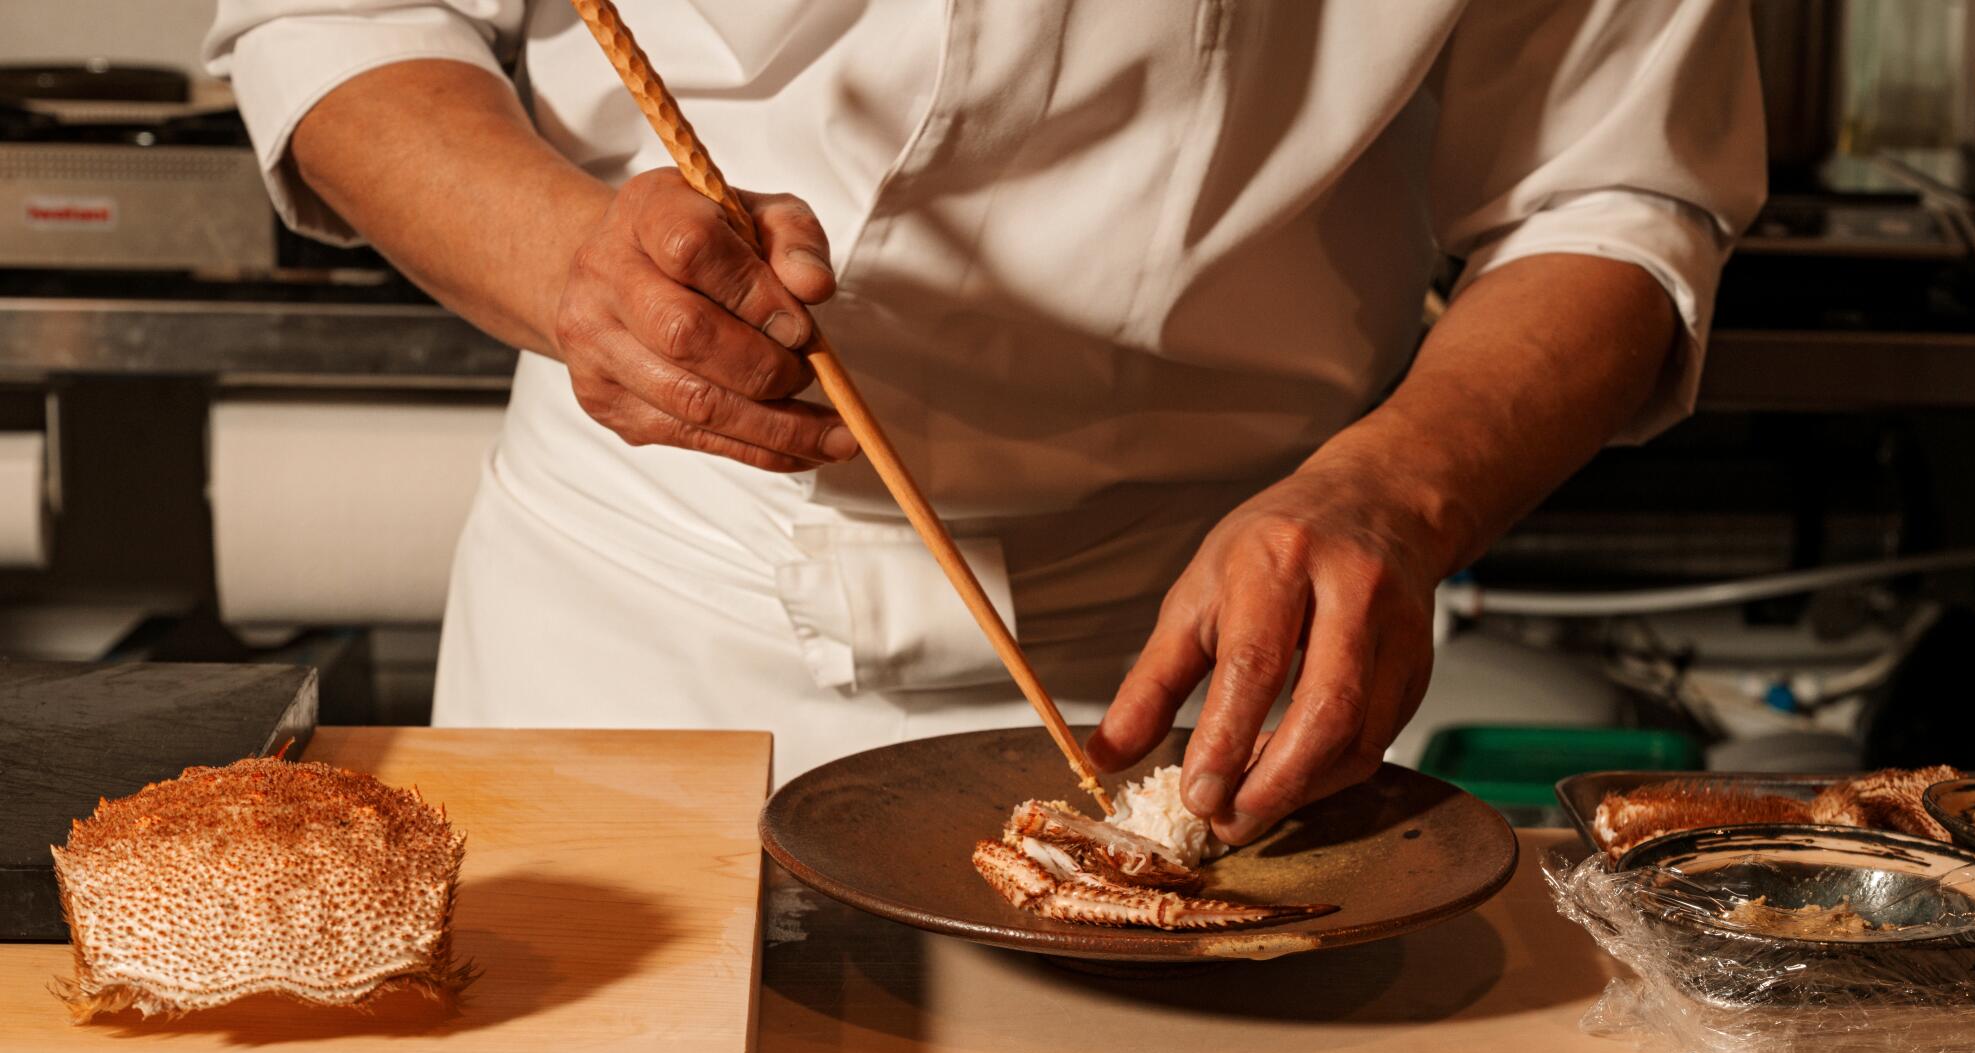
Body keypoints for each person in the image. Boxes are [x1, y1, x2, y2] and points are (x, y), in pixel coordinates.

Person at [207, 1, 1763, 844]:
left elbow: (1618, 186)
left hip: (1190, 668)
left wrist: (1400, 489)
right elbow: (336, 15)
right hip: (641, 607)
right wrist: (570, 265)